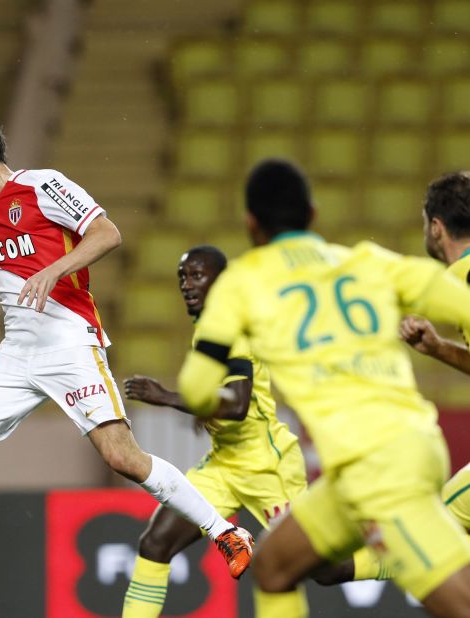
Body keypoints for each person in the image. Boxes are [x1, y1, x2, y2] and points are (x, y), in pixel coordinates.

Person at [0, 112, 253, 606]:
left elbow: (107, 233)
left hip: (71, 344)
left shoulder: (42, 186)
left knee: (122, 457)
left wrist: (53, 271)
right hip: (16, 354)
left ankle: (224, 532)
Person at [177, 159, 470, 616]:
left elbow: (195, 388)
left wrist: (204, 401)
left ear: (251, 224)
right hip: (383, 459)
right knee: (274, 566)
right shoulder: (366, 262)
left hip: (379, 467)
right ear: (312, 214)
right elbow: (458, 297)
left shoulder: (241, 286)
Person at [121, 246, 309, 618]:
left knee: (324, 567)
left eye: (196, 275)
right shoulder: (207, 331)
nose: (186, 285)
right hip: (223, 465)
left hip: (267, 465)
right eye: (182, 277)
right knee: (155, 543)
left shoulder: (234, 330)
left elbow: (237, 406)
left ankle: (396, 560)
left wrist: (167, 397)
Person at [315, 171, 470, 587]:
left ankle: (348, 567)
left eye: (424, 223)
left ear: (436, 227)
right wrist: (439, 348)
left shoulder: (459, 280)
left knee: (430, 533)